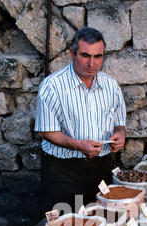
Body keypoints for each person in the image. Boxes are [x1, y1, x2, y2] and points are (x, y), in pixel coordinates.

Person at [35, 26, 126, 214]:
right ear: (72, 53)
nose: (91, 63)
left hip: (102, 168)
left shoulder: (111, 86)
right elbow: (45, 131)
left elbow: (119, 120)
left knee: (101, 223)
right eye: (85, 55)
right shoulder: (52, 86)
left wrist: (120, 134)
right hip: (64, 171)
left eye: (98, 57)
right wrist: (79, 145)